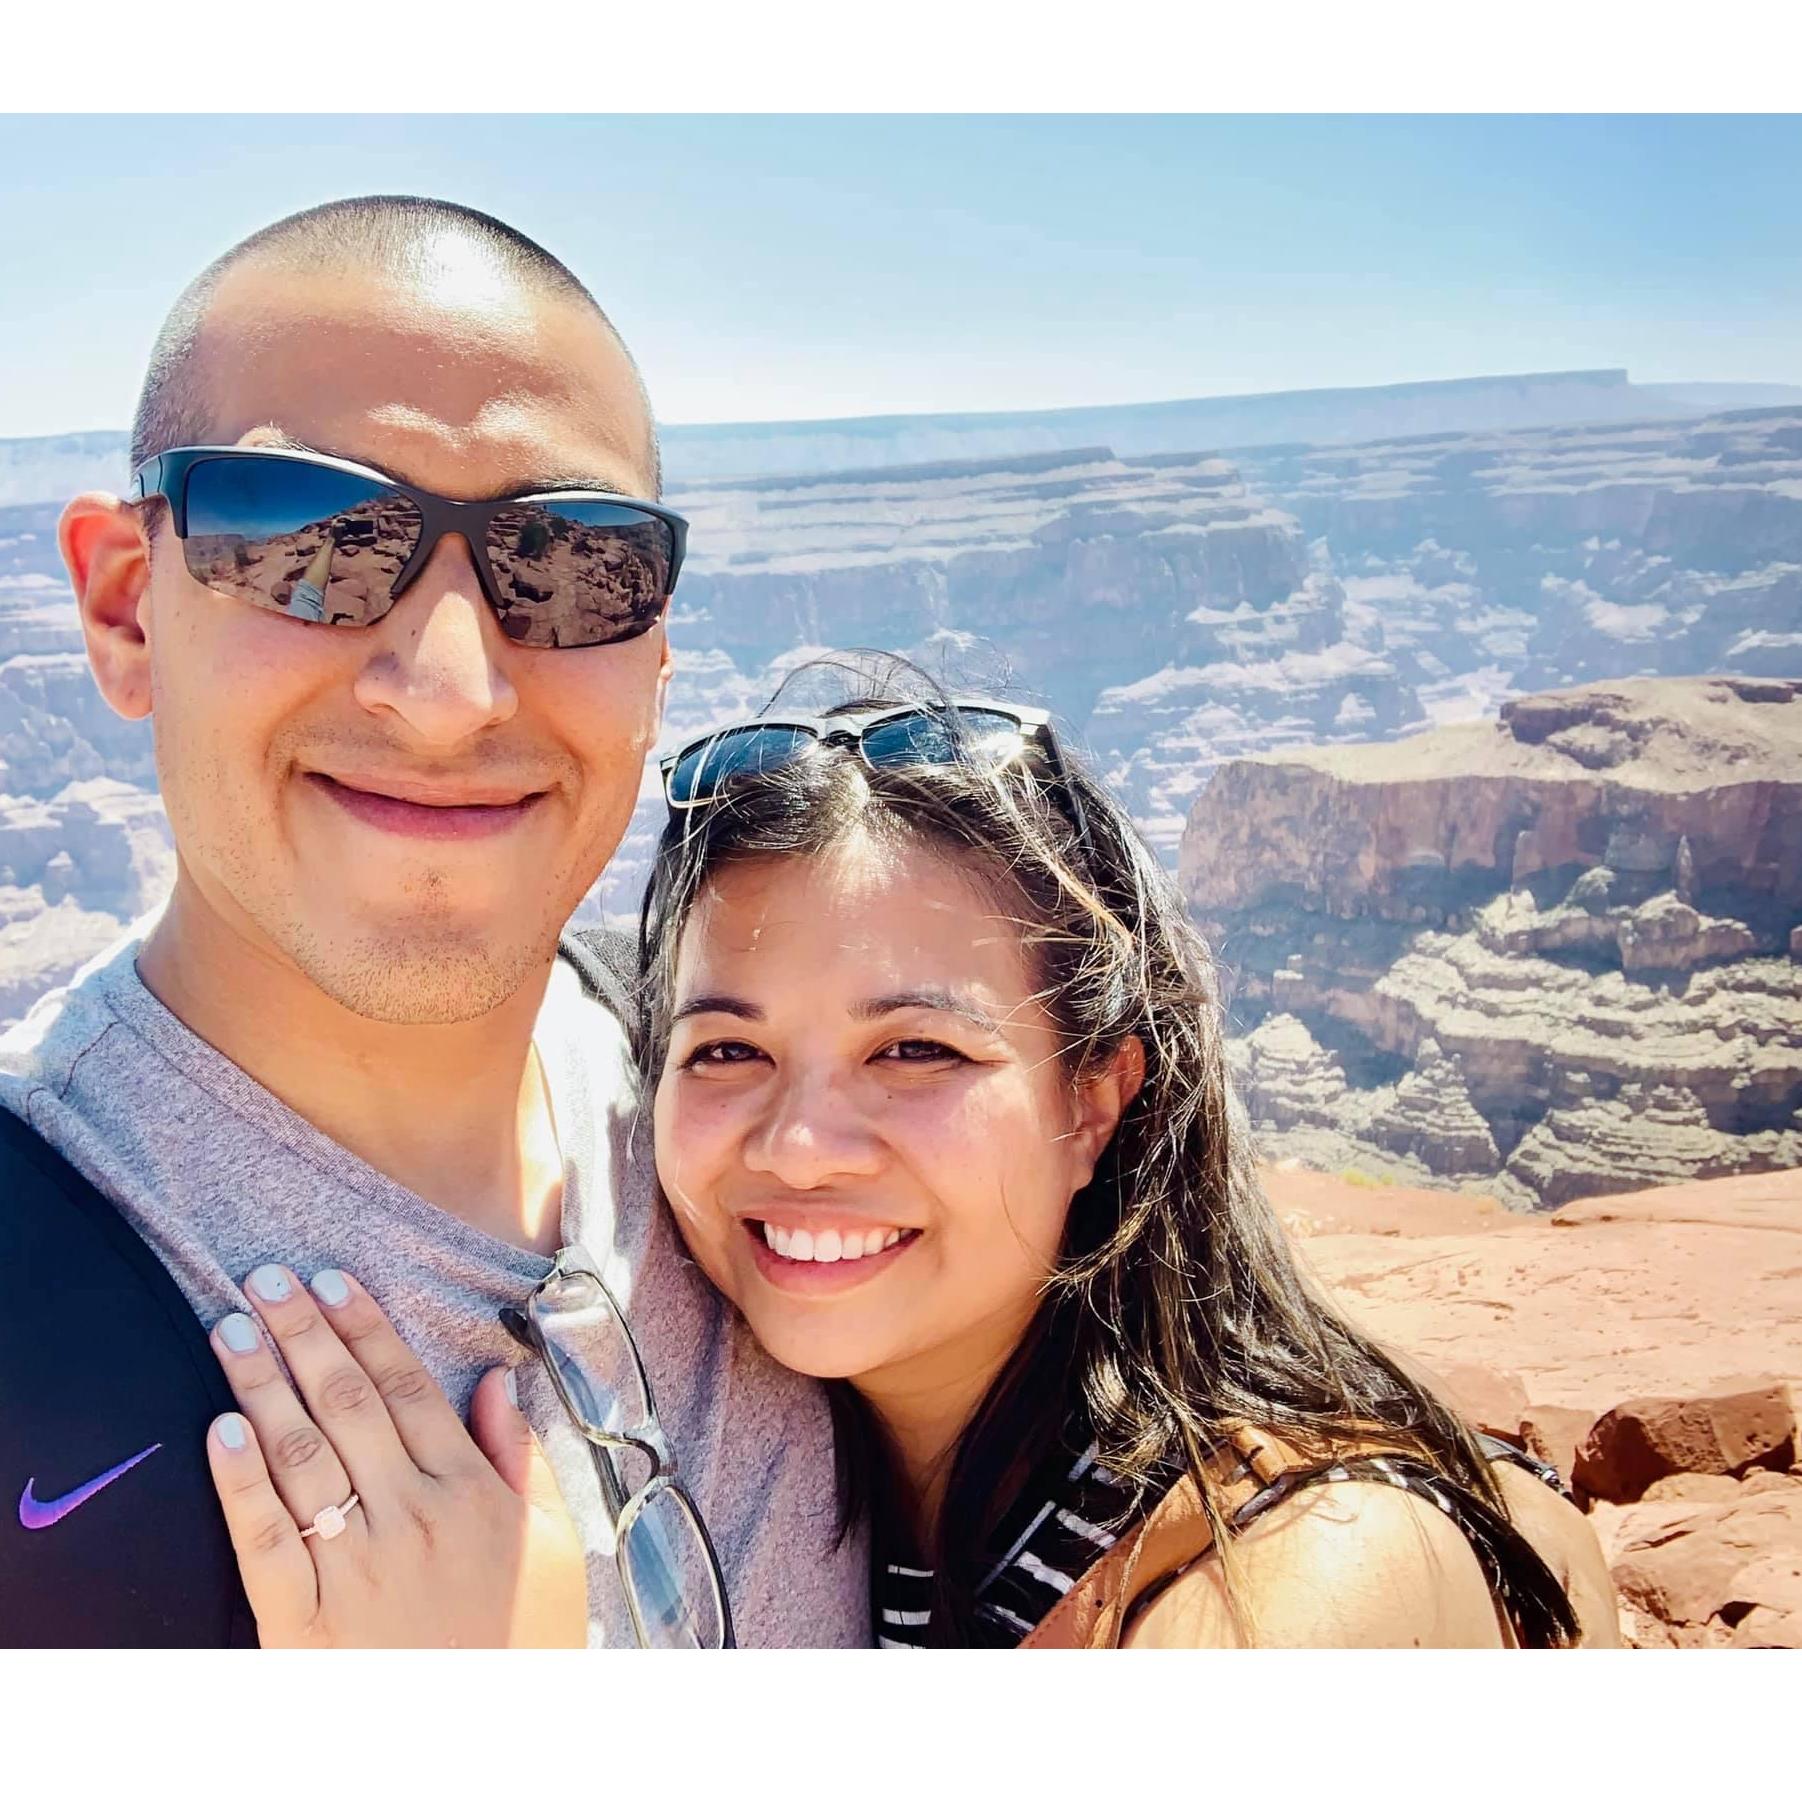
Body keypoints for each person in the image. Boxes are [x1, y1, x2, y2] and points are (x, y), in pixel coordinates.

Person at [0, 196, 866, 1648]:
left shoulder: (750, 1128)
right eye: (312, 543)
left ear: (654, 647)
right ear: (125, 609)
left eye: (572, 559)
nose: (452, 684)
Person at [636, 661, 1623, 1647]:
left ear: (1090, 1103)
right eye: (727, 1049)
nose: (801, 1148)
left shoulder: (1289, 1573)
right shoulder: (788, 1488)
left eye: (913, 1049)